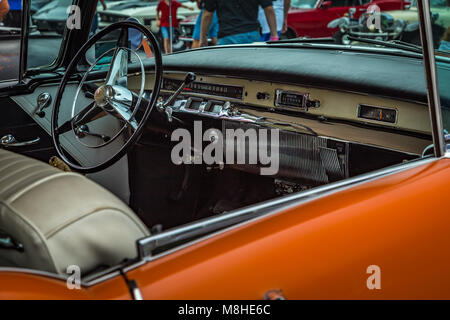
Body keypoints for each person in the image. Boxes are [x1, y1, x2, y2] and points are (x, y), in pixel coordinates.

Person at [200, 0, 278, 47]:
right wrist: (274, 35)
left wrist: (203, 37)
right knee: (251, 71)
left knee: (228, 71)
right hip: (250, 34)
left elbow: (207, 14)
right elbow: (269, 9)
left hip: (227, 36)